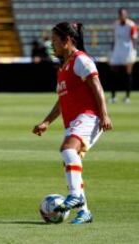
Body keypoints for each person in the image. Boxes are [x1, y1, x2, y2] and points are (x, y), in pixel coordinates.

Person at [33, 22, 113, 224]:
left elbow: (97, 86)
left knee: (67, 149)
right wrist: (46, 122)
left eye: (54, 41)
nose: (52, 45)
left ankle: (76, 196)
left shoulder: (81, 60)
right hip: (75, 121)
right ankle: (84, 211)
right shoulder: (63, 67)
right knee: (71, 161)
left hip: (89, 117)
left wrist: (104, 114)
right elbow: (62, 101)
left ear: (67, 40)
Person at [109, 8, 137, 104]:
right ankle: (113, 96)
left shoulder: (131, 25)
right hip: (117, 51)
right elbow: (114, 38)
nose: (122, 16)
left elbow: (134, 39)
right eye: (120, 14)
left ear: (126, 15)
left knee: (128, 73)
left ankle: (127, 97)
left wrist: (133, 52)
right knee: (113, 73)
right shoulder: (116, 24)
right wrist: (112, 50)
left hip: (127, 51)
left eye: (123, 14)